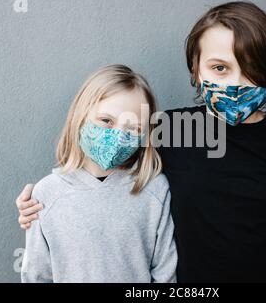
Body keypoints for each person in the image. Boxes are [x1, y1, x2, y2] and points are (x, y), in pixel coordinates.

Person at [17, 1, 266, 282]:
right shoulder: (169, 128)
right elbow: (104, 165)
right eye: (219, 67)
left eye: (251, 68)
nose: (236, 82)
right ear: (196, 70)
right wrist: (41, 205)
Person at [20, 65, 177, 282]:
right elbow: (36, 274)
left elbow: (165, 273)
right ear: (81, 116)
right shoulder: (46, 194)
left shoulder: (155, 189)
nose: (118, 135)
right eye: (106, 121)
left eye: (133, 128)